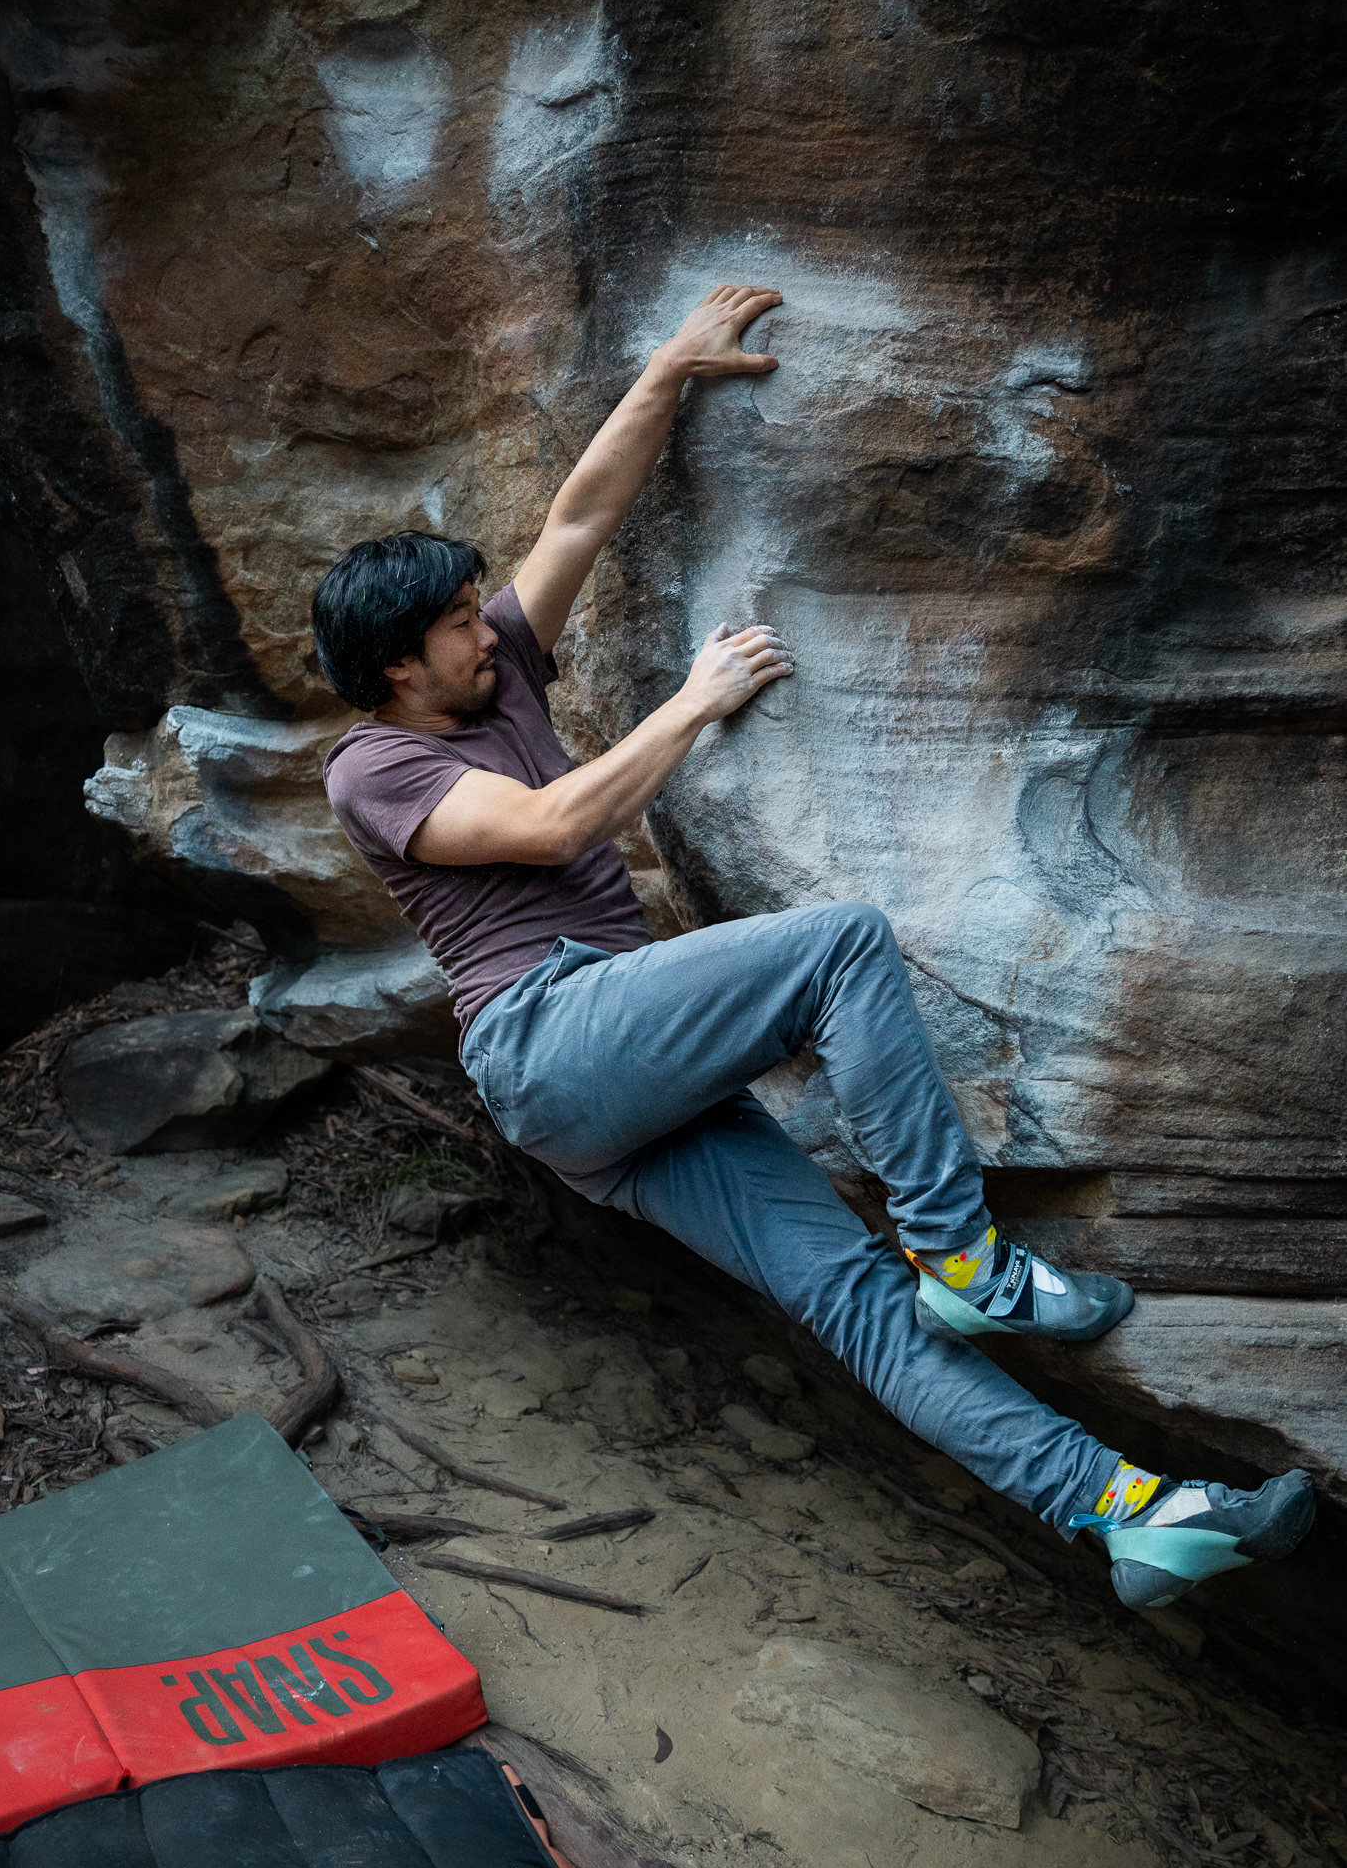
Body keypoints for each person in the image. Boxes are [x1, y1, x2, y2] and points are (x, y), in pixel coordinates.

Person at [313, 283, 1313, 1613]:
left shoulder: (485, 669)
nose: (486, 630)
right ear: (393, 668)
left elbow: (576, 520)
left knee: (856, 1301)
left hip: (626, 1085)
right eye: (454, 627)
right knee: (836, 947)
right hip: (549, 1038)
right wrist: (693, 703)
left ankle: (1135, 1514)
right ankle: (963, 1257)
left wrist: (668, 365)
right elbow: (551, 827)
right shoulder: (372, 765)